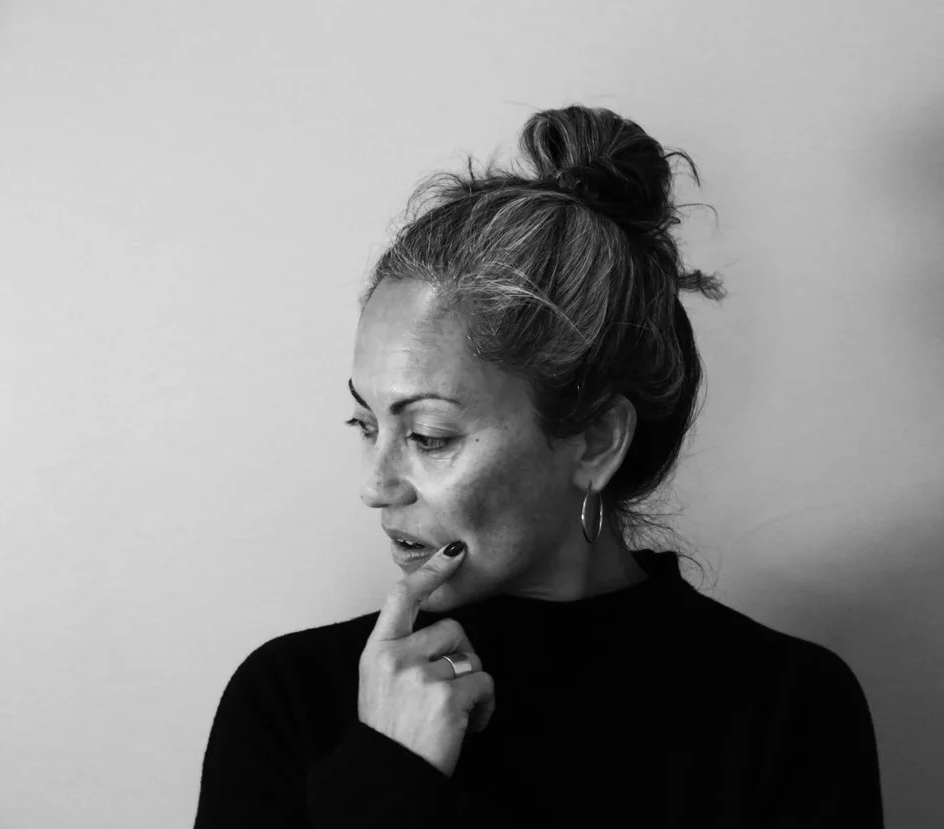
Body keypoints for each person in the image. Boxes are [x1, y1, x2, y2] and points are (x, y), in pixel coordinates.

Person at [194, 104, 883, 827]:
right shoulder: (293, 697)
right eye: (366, 423)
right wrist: (384, 773)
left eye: (427, 435)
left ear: (593, 441)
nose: (376, 485)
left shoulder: (786, 706)